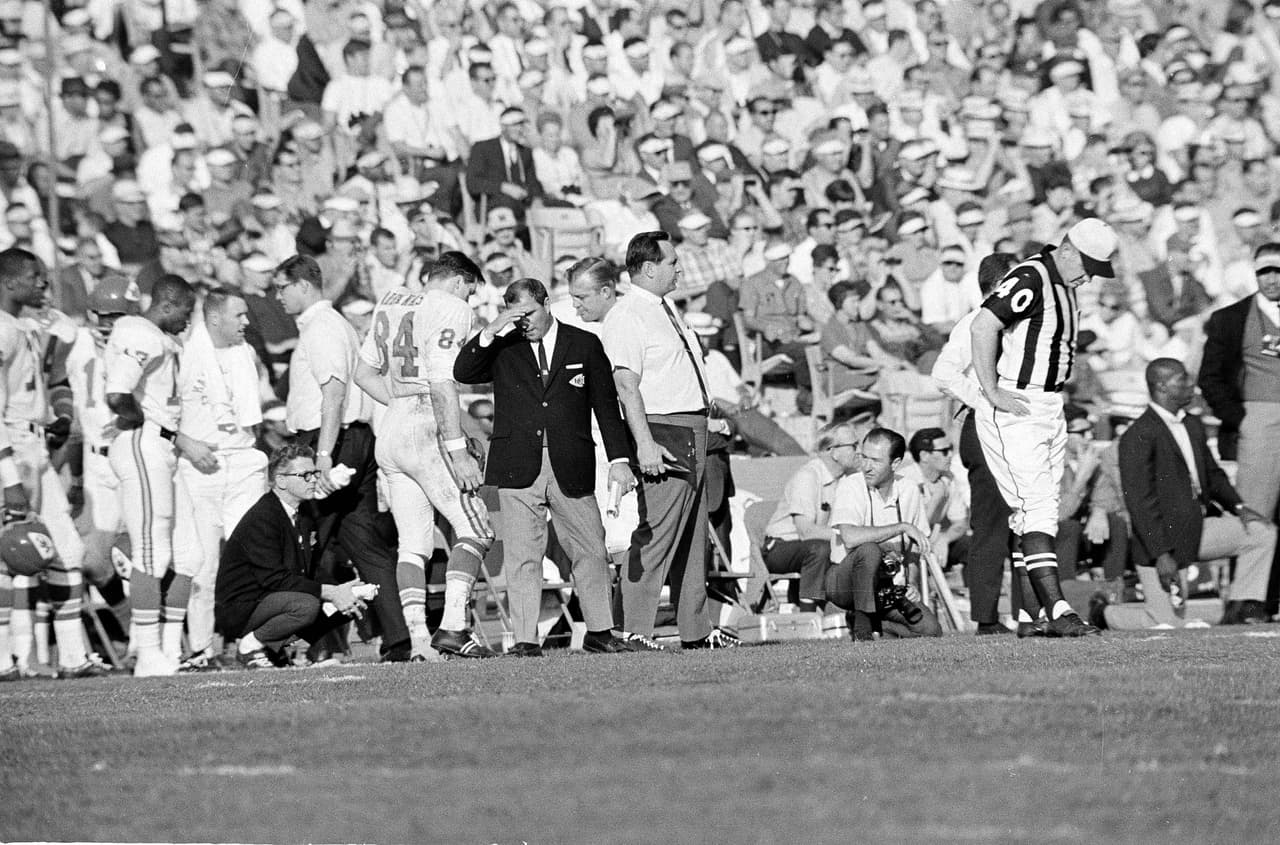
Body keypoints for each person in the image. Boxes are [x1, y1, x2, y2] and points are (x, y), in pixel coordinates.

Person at [453, 277, 637, 655]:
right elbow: (464, 372)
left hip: (571, 462)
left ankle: (600, 630)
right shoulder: (504, 346)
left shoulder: (583, 343)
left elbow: (606, 406)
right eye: (516, 316)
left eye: (529, 313)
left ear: (547, 303)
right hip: (519, 464)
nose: (525, 323)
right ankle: (524, 639)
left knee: (590, 547)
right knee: (523, 556)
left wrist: (620, 461)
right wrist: (491, 330)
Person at [969, 219, 1123, 638]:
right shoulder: (1032, 276)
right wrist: (991, 389)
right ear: (1069, 250)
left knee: (1039, 513)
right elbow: (983, 324)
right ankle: (1057, 610)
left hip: (1047, 402)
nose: (1089, 275)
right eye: (1087, 264)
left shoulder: (1065, 286)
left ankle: (1029, 616)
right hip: (1019, 400)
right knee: (1035, 507)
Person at [352, 252, 498, 661]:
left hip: (393, 423)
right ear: (458, 282)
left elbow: (363, 373)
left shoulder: (392, 298)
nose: (469, 298)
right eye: (470, 290)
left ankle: (419, 640)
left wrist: (399, 407)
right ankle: (453, 627)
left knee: (412, 545)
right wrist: (457, 447)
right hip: (425, 420)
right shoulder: (451, 306)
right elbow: (440, 382)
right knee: (477, 529)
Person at [274, 255, 410, 663]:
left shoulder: (322, 328)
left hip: (330, 440)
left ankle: (302, 644)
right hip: (352, 440)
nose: (277, 296)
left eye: (282, 287)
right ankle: (397, 638)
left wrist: (322, 456)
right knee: (363, 544)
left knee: (303, 542)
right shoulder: (334, 326)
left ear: (303, 285)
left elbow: (333, 396)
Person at [602, 231, 733, 650]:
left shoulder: (666, 306)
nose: (680, 268)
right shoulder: (628, 315)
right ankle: (632, 628)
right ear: (647, 268)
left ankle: (695, 629)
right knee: (656, 531)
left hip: (691, 424)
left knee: (693, 534)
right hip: (663, 428)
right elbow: (626, 384)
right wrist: (643, 443)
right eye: (672, 262)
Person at [1115, 359, 1277, 629]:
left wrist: (1239, 507)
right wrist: (1161, 554)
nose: (1192, 385)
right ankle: (1103, 612)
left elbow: (1213, 475)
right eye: (1183, 380)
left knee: (1262, 532)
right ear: (1161, 386)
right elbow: (1139, 502)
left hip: (1198, 531)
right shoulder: (1138, 434)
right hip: (1163, 542)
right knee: (1166, 624)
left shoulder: (1193, 424)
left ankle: (1241, 610)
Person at [0, 249, 98, 679]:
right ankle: (4, 659)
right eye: (34, 276)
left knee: (67, 550)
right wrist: (8, 479)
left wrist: (55, 419)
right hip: (14, 451)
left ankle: (74, 657)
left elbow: (47, 383)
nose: (43, 283)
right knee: (6, 559)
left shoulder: (22, 326)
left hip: (35, 445)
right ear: (9, 282)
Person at [933, 251, 1040, 636]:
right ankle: (987, 617)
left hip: (1012, 431)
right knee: (993, 526)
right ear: (999, 285)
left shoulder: (1010, 323)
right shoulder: (973, 325)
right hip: (987, 429)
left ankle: (1029, 614)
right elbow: (943, 373)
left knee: (1025, 525)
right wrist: (984, 398)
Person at [104, 274, 203, 676]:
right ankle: (146, 653)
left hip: (165, 447)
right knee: (150, 549)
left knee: (189, 552)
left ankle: (167, 650)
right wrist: (141, 423)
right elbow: (117, 393)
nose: (188, 320)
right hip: (144, 443)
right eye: (185, 310)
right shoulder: (140, 331)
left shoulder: (160, 338)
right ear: (166, 304)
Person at [173, 290, 268, 671]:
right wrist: (185, 443)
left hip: (243, 461)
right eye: (239, 316)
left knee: (254, 558)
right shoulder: (184, 351)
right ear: (214, 319)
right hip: (201, 465)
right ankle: (200, 649)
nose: (247, 323)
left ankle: (255, 642)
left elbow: (252, 412)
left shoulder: (246, 353)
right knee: (203, 564)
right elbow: (160, 409)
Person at [215, 444, 369, 668]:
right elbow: (274, 579)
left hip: (272, 599)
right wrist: (331, 592)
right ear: (281, 481)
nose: (314, 480)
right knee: (306, 605)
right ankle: (250, 647)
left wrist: (346, 591)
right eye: (305, 475)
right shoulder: (263, 518)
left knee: (344, 604)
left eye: (314, 473)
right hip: (241, 607)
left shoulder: (304, 514)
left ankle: (274, 651)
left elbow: (310, 570)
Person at [1198, 242, 1280, 622]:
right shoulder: (1231, 318)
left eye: (1278, 271)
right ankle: (1248, 601)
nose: (1272, 279)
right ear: (1254, 274)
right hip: (1259, 420)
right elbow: (1210, 378)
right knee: (1255, 512)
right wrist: (1240, 417)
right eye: (1265, 271)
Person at [827, 427, 943, 641]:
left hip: (888, 587)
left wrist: (912, 584)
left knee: (930, 631)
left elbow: (914, 551)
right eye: (864, 458)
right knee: (869, 550)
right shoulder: (850, 485)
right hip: (844, 584)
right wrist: (901, 527)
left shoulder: (908, 489)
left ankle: (882, 626)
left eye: (876, 461)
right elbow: (850, 537)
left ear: (895, 464)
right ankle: (862, 630)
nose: (867, 467)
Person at [760, 421, 863, 613]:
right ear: (833, 451)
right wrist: (849, 535)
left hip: (812, 547)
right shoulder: (807, 476)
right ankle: (808, 614)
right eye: (854, 446)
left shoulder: (848, 479)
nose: (859, 451)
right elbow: (807, 532)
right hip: (779, 547)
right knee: (820, 548)